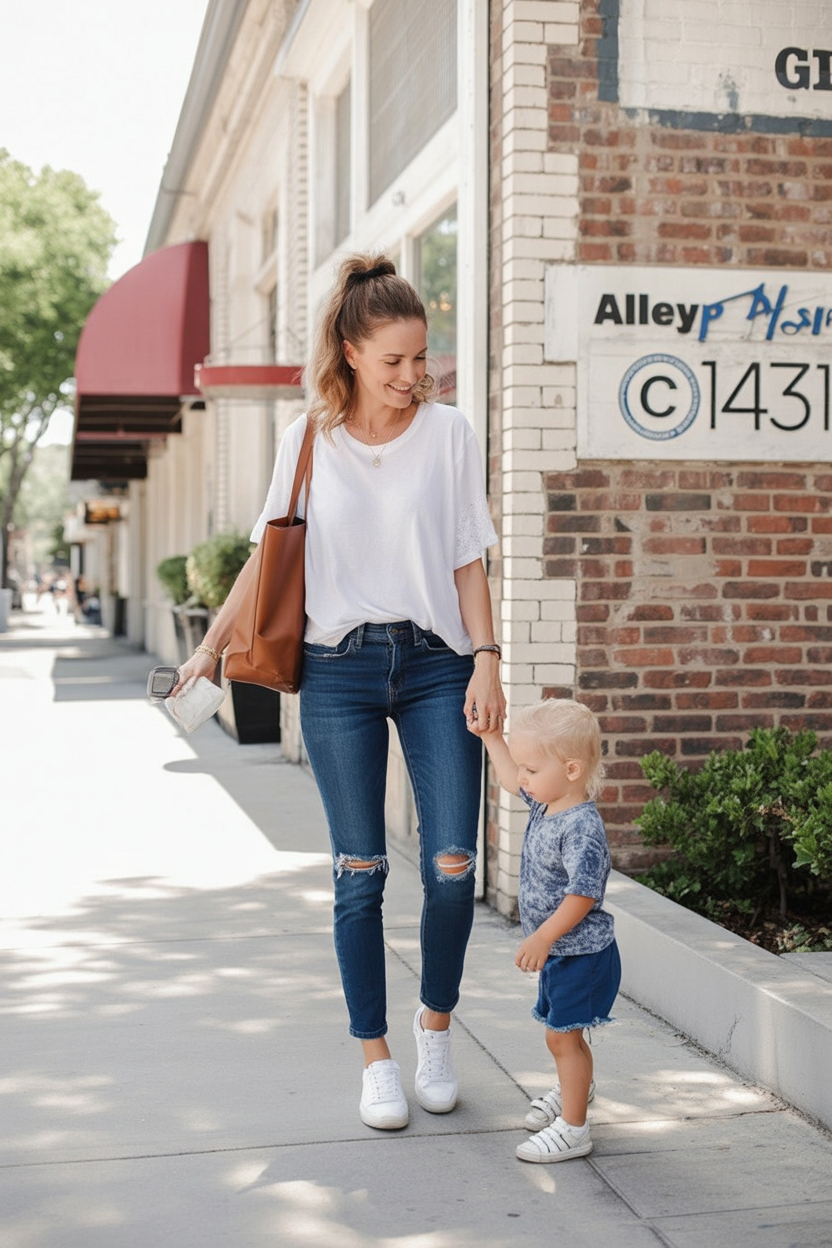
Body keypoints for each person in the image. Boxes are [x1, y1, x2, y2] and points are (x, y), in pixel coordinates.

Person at [173, 254, 505, 1131]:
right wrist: (210, 648)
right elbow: (268, 556)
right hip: (337, 672)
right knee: (359, 874)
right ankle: (377, 1057)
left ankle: (435, 1028)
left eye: (420, 357)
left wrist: (488, 657)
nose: (411, 376)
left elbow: (468, 558)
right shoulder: (308, 439)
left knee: (450, 868)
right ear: (351, 351)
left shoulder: (450, 434)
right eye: (394, 360)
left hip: (437, 663)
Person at [475, 698, 620, 1163]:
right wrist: (492, 739)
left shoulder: (581, 827)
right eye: (522, 768)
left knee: (562, 1037)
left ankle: (575, 1127)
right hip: (564, 953)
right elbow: (506, 776)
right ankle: (573, 1088)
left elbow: (583, 895)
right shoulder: (547, 803)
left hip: (582, 954)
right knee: (565, 1036)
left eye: (531, 769)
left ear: (572, 769)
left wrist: (543, 936)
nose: (522, 778)